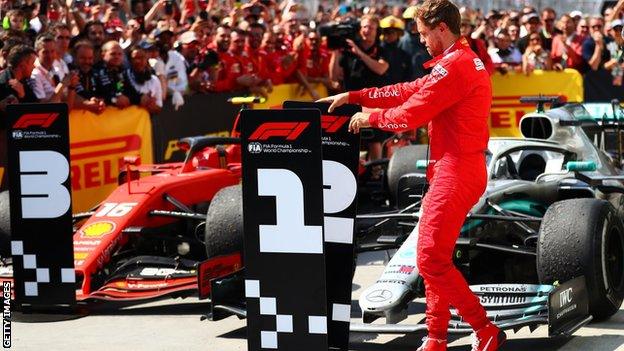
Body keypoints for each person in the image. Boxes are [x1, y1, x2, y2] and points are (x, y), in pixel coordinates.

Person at [319, 1, 505, 350]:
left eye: (422, 33)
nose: (420, 40)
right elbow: (409, 89)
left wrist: (369, 117)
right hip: (456, 169)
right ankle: (436, 339)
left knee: (431, 260)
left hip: (455, 171)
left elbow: (410, 114)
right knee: (433, 259)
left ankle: (485, 330)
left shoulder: (456, 65)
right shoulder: (458, 61)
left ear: (441, 28)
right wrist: (357, 96)